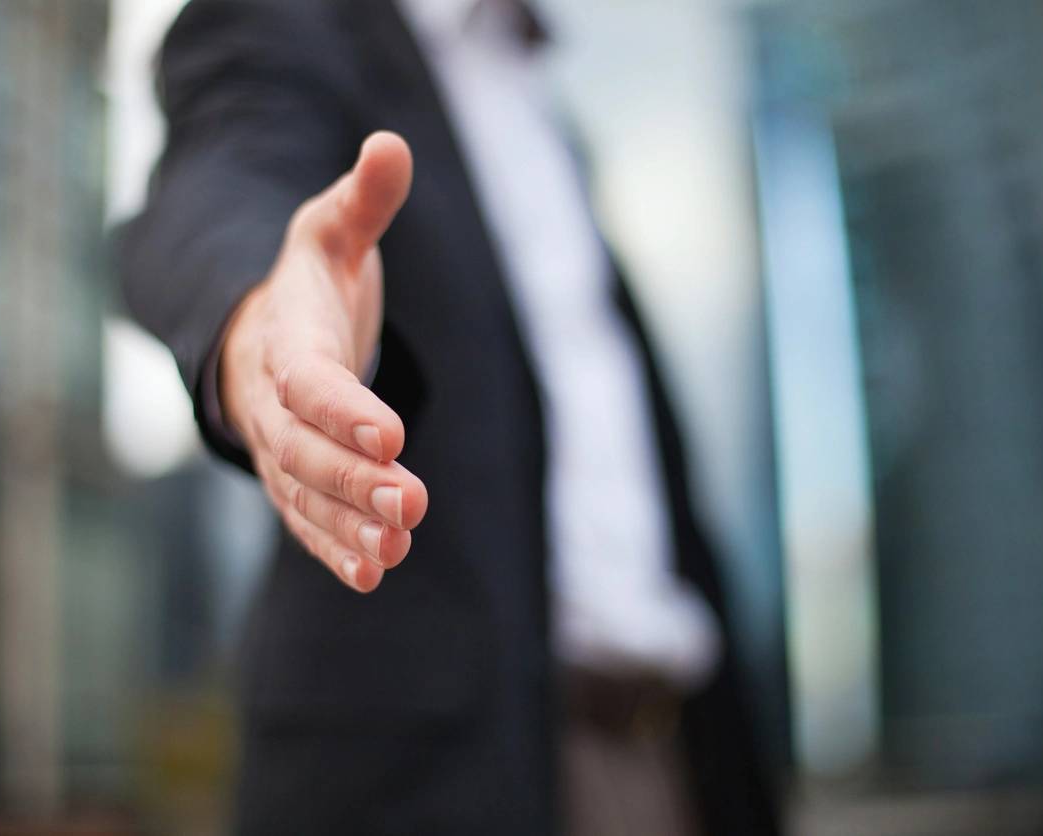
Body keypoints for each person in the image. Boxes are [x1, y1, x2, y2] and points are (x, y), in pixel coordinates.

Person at [120, 0, 779, 833]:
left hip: (673, 752)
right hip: (431, 780)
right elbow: (220, 181)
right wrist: (262, 320)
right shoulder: (287, 20)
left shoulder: (545, 106)